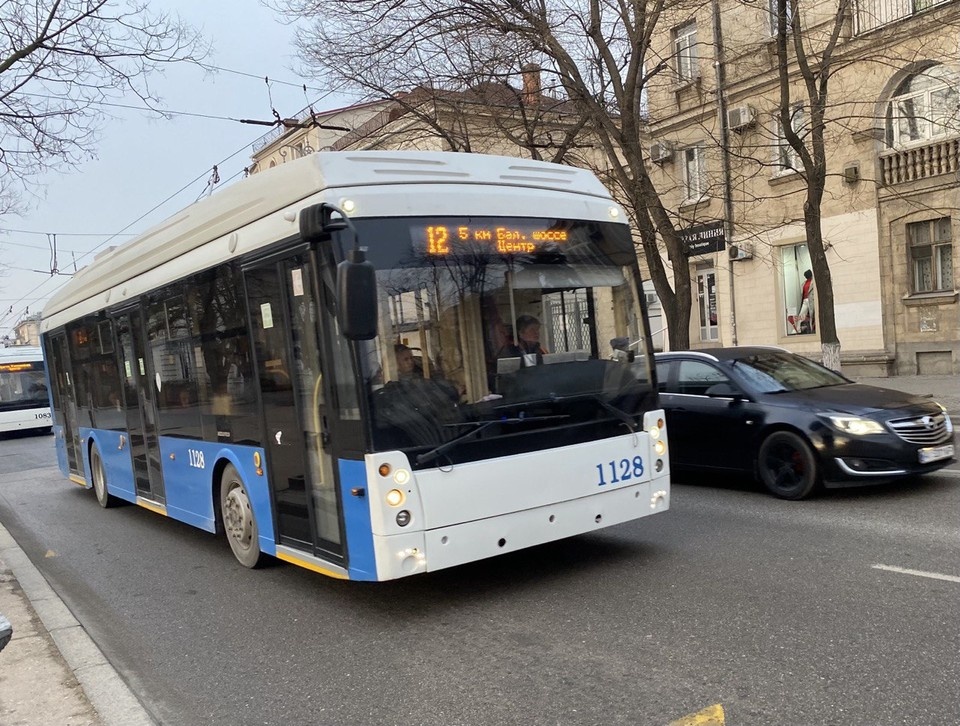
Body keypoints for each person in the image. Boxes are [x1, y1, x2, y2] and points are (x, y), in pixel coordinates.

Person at [797, 269, 815, 334]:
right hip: (805, 300)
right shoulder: (804, 283)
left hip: (811, 300)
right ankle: (798, 329)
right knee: (801, 314)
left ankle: (812, 329)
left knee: (811, 315)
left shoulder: (813, 282)